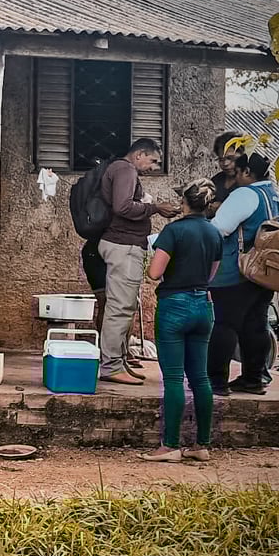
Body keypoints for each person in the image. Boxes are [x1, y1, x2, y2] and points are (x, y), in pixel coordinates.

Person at [139, 179, 222, 462]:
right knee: (200, 378)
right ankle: (202, 446)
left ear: (184, 202)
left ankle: (170, 445)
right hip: (203, 305)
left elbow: (154, 272)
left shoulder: (173, 231)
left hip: (175, 304)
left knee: (174, 378)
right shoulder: (214, 233)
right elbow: (211, 274)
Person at [97, 139, 179, 385]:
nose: (154, 167)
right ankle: (111, 365)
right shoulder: (125, 169)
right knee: (119, 308)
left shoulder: (122, 169)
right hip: (123, 245)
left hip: (124, 245)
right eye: (153, 160)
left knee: (125, 306)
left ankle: (119, 362)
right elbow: (122, 207)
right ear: (140, 154)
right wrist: (154, 208)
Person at [207, 152, 279, 395]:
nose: (235, 178)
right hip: (265, 273)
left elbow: (219, 228)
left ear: (247, 173)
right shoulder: (274, 196)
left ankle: (216, 382)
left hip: (237, 270)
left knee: (225, 324)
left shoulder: (245, 194)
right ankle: (253, 378)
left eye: (237, 173)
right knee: (256, 324)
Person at [207, 130, 247, 218]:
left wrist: (223, 208)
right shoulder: (217, 180)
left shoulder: (250, 182)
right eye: (221, 159)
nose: (225, 163)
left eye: (231, 158)